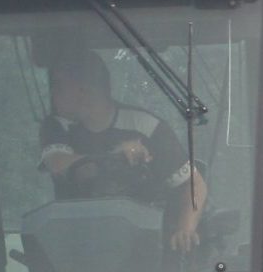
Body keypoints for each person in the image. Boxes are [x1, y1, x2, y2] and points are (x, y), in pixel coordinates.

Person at [38, 49, 205, 251]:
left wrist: (185, 230)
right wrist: (115, 158)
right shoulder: (57, 126)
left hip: (146, 249)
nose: (53, 95)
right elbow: (58, 164)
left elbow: (193, 184)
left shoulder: (147, 127)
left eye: (59, 87)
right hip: (76, 249)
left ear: (84, 91)